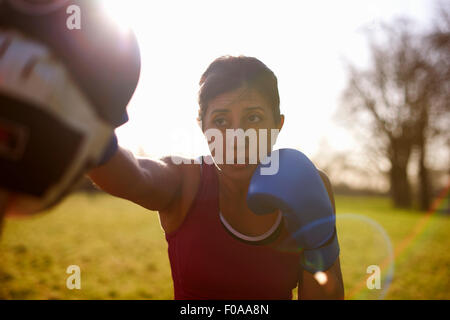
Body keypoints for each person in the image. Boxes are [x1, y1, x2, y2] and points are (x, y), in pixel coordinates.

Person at [88, 55, 344, 300]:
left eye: (253, 118)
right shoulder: (187, 180)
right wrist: (85, 122)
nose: (237, 138)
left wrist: (320, 246)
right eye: (221, 120)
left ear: (277, 124)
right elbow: (134, 176)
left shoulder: (309, 185)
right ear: (203, 127)